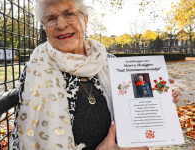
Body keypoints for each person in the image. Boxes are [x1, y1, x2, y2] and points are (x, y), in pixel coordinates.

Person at [9, 0, 180, 149]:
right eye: (51, 18)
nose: (61, 25)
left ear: (85, 19)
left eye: (69, 14)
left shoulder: (111, 63)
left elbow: (140, 108)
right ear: (44, 27)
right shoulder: (35, 70)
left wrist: (162, 95)